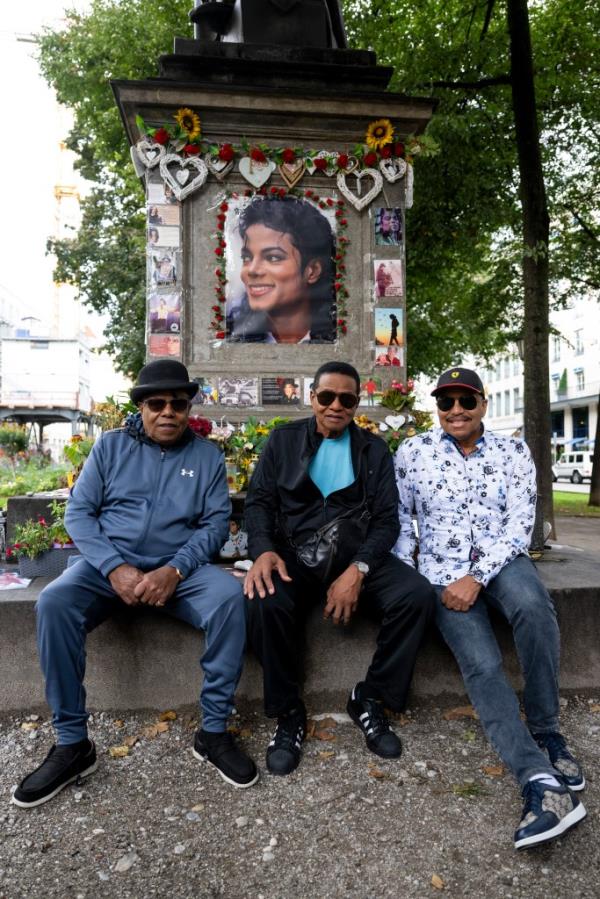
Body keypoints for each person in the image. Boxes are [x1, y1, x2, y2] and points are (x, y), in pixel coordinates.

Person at [12, 360, 258, 808]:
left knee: (228, 599)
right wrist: (113, 568)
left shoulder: (206, 456)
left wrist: (175, 569)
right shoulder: (109, 447)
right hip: (108, 570)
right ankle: (72, 744)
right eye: (157, 403)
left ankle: (214, 732)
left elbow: (215, 524)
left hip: (178, 572)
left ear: (188, 408)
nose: (168, 412)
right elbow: (79, 513)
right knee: (54, 602)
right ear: (141, 407)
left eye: (178, 404)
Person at [393, 366, 586, 850]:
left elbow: (521, 523)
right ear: (436, 407)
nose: (455, 410)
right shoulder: (412, 453)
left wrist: (477, 577)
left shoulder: (513, 450)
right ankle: (539, 781)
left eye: (465, 400)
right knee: (480, 663)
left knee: (533, 609)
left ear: (482, 404)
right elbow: (402, 521)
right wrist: (410, 580)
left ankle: (547, 732)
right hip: (439, 573)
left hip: (501, 562)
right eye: (446, 402)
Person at [243, 360, 435, 776]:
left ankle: (370, 696)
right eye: (326, 396)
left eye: (346, 399)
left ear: (356, 404)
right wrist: (262, 551)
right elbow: (258, 502)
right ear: (312, 397)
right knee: (263, 600)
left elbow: (387, 520)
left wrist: (358, 569)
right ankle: (288, 710)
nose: (335, 406)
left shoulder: (373, 449)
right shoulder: (282, 440)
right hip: (294, 554)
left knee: (416, 595)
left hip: (354, 554)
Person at [226, 196, 336, 344]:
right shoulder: (231, 336)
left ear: (313, 271)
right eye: (247, 257)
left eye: (273, 258)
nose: (252, 270)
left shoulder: (337, 338)